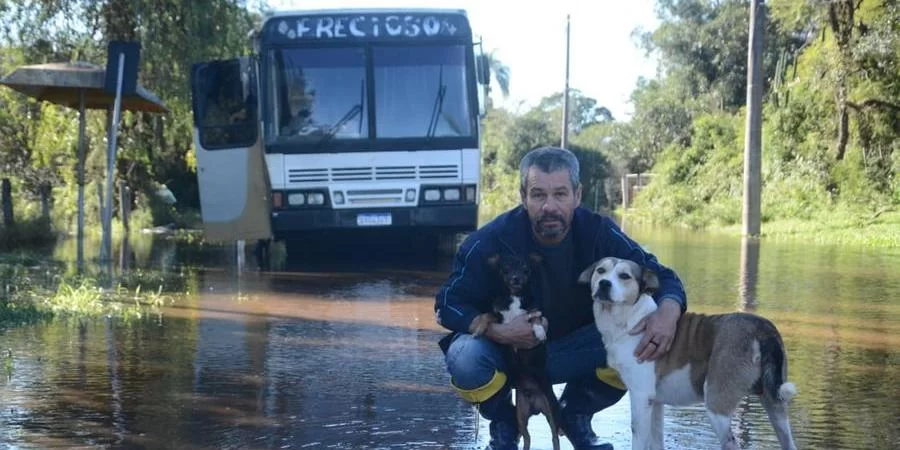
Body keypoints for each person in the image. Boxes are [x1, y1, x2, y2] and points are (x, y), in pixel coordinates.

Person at [434, 146, 687, 450]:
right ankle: (505, 423)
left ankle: (575, 413)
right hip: (507, 355)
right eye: (539, 195)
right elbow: (446, 303)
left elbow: (664, 278)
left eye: (560, 194)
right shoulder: (488, 241)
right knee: (464, 357)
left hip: (576, 350)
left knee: (647, 332)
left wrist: (668, 315)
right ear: (523, 195)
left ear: (577, 195)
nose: (549, 206)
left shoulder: (599, 232)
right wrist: (495, 330)